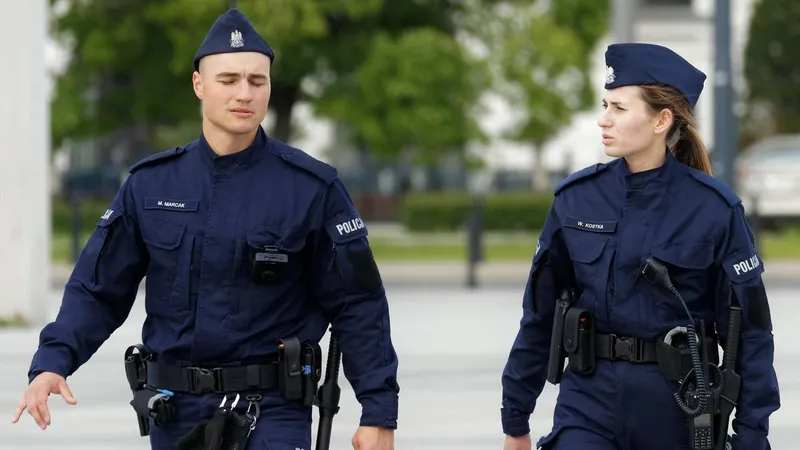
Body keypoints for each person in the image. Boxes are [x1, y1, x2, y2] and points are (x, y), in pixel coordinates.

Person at [11, 8, 399, 450]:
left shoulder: (312, 188)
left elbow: (358, 303)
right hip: (174, 415)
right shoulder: (151, 185)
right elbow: (97, 290)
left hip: (271, 415)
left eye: (257, 81)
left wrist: (378, 412)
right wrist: (53, 362)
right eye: (228, 80)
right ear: (199, 84)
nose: (244, 93)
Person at [500, 43, 780, 450]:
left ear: (661, 120)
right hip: (587, 408)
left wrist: (752, 437)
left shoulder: (714, 210)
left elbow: (752, 334)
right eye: (605, 105)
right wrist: (515, 419)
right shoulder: (576, 200)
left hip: (677, 412)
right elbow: (538, 317)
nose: (604, 119)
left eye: (619, 108)